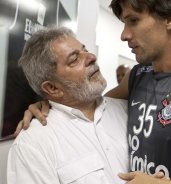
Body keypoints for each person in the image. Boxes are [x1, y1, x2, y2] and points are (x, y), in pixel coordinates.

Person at [18, 0, 171, 183]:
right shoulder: (138, 75)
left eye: (134, 21)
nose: (124, 35)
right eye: (123, 22)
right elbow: (88, 103)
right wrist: (49, 104)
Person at [7, 27, 129, 184]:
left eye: (85, 50)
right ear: (53, 88)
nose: (92, 57)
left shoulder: (127, 111)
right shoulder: (32, 146)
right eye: (74, 59)